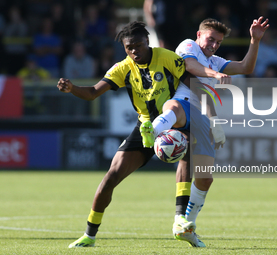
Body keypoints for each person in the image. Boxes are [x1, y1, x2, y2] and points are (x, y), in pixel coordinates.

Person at [58, 21, 200, 248]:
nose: (134, 51)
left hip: (174, 120)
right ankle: (89, 235)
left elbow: (191, 83)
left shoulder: (166, 57)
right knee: (111, 177)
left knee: (187, 151)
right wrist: (72, 88)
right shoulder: (122, 68)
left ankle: (180, 221)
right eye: (128, 47)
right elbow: (94, 92)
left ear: (147, 42)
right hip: (145, 126)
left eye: (138, 45)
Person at [140, 17, 269, 247]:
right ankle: (152, 130)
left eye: (218, 42)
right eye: (211, 39)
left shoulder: (215, 60)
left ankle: (186, 226)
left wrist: (254, 41)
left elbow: (246, 67)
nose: (214, 45)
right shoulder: (188, 46)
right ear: (199, 35)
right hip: (184, 105)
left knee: (205, 178)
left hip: (204, 120)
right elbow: (190, 67)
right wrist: (215, 75)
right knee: (176, 106)